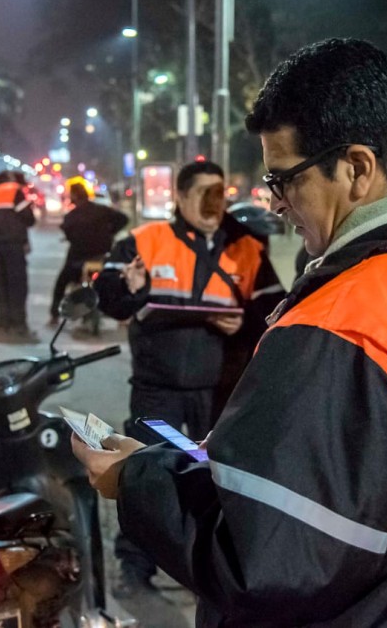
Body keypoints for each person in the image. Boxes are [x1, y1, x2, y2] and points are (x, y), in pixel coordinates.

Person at [73, 38, 387, 626]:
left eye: (283, 179)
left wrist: (137, 481)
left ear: (357, 168)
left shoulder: (348, 323)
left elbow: (266, 562)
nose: (276, 204)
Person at [93, 159, 285, 598]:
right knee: (141, 469)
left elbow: (277, 316)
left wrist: (247, 323)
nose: (213, 203)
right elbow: (108, 299)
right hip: (157, 389)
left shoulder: (247, 249)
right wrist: (132, 288)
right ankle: (135, 566)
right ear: (180, 198)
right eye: (203, 193)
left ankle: (208, 570)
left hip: (219, 393)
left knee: (214, 480)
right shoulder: (144, 242)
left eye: (220, 192)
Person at [48, 180, 129, 325]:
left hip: (77, 261)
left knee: (61, 283)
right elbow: (123, 219)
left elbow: (67, 232)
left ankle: (54, 315)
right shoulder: (103, 210)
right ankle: (123, 317)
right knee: (117, 282)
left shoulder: (71, 217)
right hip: (102, 258)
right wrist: (110, 233)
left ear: (74, 196)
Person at [0, 170, 38, 343]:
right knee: (18, 285)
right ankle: (19, 325)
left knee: (2, 283)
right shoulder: (13, 190)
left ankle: (2, 323)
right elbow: (28, 218)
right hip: (14, 244)